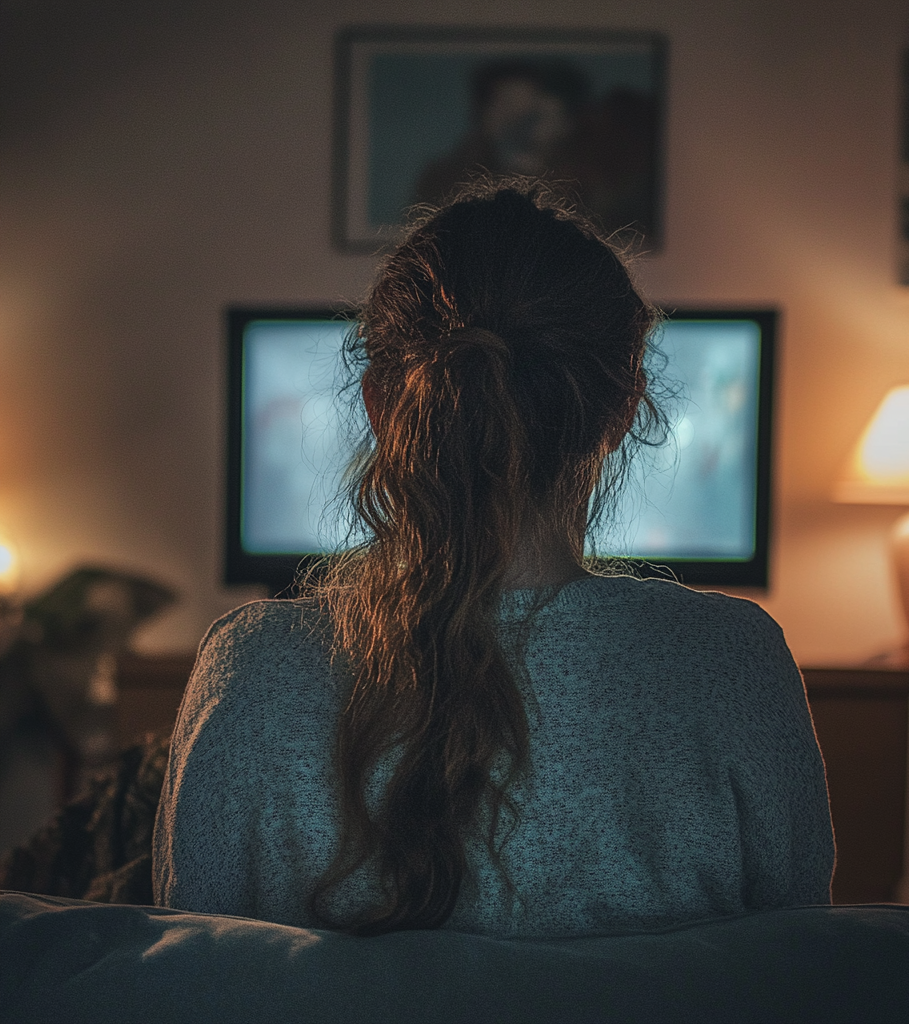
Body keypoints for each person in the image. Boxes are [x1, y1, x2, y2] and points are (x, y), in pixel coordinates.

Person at [153, 179, 834, 938]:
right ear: (621, 411)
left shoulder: (250, 667)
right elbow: (798, 974)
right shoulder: (734, 662)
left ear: (381, 406)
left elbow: (190, 976)